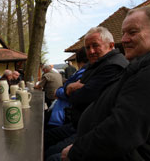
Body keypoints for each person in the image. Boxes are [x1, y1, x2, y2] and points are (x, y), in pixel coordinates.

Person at [62, 6, 150, 161]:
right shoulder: (135, 66)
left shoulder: (137, 70)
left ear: (109, 46)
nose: (123, 40)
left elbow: (122, 130)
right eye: (123, 33)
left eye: (133, 32)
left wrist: (76, 151)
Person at [45, 26, 128, 161]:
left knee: (51, 156)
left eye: (95, 46)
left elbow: (83, 97)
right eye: (88, 48)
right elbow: (68, 85)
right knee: (44, 137)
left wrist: (74, 90)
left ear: (111, 45)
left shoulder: (114, 65)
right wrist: (70, 88)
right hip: (77, 124)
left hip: (92, 129)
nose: (91, 51)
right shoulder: (95, 64)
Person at [46, 47, 88, 129]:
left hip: (62, 116)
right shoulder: (81, 72)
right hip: (62, 113)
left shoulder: (83, 73)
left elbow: (72, 92)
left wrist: (58, 92)